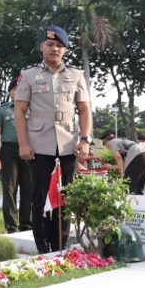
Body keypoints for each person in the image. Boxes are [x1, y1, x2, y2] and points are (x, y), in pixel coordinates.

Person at [14, 25, 92, 254]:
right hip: (38, 144)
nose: (54, 49)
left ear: (65, 50)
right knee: (38, 197)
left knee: (66, 196)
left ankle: (60, 245)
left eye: (59, 46)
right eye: (50, 44)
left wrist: (85, 139)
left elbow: (85, 109)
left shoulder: (76, 75)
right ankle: (42, 248)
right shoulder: (29, 75)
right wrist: (23, 143)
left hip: (68, 143)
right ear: (42, 46)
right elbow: (19, 111)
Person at [0, 78, 32, 233]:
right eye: (15, 89)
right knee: (9, 190)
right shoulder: (3, 110)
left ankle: (27, 226)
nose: (18, 92)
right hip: (9, 151)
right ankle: (11, 228)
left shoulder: (32, 109)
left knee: (29, 189)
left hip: (29, 150)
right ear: (10, 91)